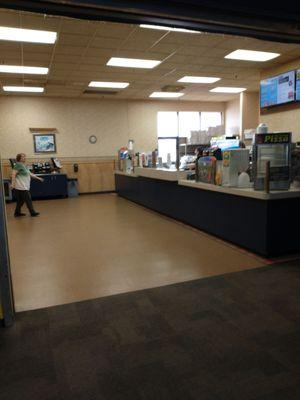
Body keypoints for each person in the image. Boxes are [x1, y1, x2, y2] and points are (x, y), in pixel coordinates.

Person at [11, 153, 44, 217]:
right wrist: (12, 184)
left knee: (21, 201)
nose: (25, 158)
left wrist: (38, 178)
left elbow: (30, 174)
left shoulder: (24, 165)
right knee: (28, 199)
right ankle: (32, 212)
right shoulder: (18, 165)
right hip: (21, 186)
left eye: (25, 156)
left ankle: (17, 212)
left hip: (24, 186)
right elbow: (13, 174)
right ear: (19, 158)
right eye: (23, 157)